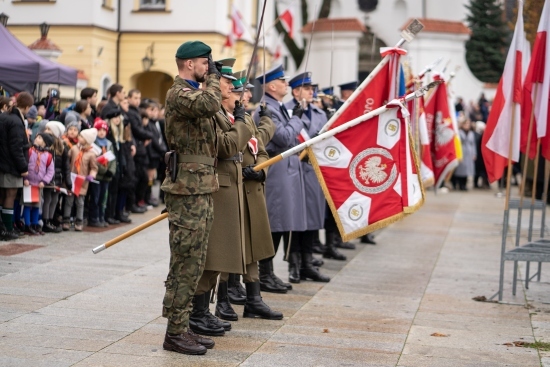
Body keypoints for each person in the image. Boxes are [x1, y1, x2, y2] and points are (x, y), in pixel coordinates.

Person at [160, 40, 222, 355]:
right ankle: (174, 332)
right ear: (189, 64)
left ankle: (184, 326)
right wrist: (213, 79)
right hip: (186, 189)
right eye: (204, 63)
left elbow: (214, 117)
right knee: (184, 260)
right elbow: (208, 104)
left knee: (196, 261)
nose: (208, 68)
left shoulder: (194, 93)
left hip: (201, 187)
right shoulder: (179, 93)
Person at [188, 58, 252, 336]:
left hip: (229, 184)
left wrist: (240, 120)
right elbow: (226, 147)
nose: (236, 90)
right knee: (212, 254)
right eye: (230, 84)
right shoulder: (210, 112)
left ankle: (206, 310)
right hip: (217, 187)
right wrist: (242, 123)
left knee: (220, 256)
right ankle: (198, 312)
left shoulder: (223, 114)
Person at [215, 70, 282, 321]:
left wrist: (259, 171)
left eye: (240, 92)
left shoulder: (246, 119)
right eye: (236, 92)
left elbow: (261, 150)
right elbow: (227, 148)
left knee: (253, 247)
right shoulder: (220, 117)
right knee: (228, 247)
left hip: (251, 188)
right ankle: (223, 300)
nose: (241, 97)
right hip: (231, 189)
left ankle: (254, 299)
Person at [253, 65, 308, 289]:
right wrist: (297, 119)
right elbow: (285, 138)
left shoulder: (278, 106)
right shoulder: (267, 108)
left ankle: (269, 273)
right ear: (272, 86)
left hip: (285, 168)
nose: (287, 84)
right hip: (275, 168)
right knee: (274, 221)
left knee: (282, 221)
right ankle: (264, 274)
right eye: (283, 81)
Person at [284, 72, 330, 283]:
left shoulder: (319, 113)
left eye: (312, 88)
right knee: (294, 219)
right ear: (295, 92)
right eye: (307, 88)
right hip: (294, 169)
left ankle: (308, 263)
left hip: (313, 171)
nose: (312, 92)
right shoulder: (287, 110)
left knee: (312, 217)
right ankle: (294, 264)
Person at [0, 92, 32, 240]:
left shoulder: (4, 116)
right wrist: (23, 168)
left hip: (3, 162)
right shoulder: (16, 121)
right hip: (11, 165)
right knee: (10, 195)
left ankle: (3, 227)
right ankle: (6, 228)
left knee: (2, 195)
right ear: (26, 107)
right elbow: (16, 147)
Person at [63, 128, 98, 231]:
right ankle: (66, 220)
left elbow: (94, 167)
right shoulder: (74, 149)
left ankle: (79, 221)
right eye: (80, 136)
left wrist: (92, 175)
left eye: (82, 137)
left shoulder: (91, 154)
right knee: (69, 200)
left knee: (80, 202)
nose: (79, 137)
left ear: (87, 140)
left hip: (82, 181)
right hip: (72, 179)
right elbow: (67, 160)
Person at [125, 89, 153, 214]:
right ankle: (132, 203)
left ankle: (137, 201)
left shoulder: (136, 111)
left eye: (139, 98)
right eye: (135, 98)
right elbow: (136, 129)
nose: (137, 100)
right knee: (135, 179)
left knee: (143, 178)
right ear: (129, 98)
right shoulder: (131, 112)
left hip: (140, 148)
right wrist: (149, 135)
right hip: (135, 148)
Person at [22, 132, 55, 235]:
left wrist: (44, 181)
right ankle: (27, 224)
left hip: (39, 185)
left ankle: (35, 224)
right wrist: (24, 178)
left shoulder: (48, 156)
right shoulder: (30, 151)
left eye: (40, 138)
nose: (37, 139)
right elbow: (24, 163)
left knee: (36, 205)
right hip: (28, 184)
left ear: (45, 143)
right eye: (37, 137)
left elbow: (50, 171)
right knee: (27, 205)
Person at [42, 121, 71, 233]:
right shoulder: (45, 145)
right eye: (46, 129)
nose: (46, 132)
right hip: (47, 178)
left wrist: (68, 181)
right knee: (47, 199)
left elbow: (66, 166)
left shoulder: (62, 147)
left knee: (55, 199)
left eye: (49, 130)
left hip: (57, 178)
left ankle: (51, 219)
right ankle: (45, 221)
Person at [88, 119, 115, 228]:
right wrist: (104, 171)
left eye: (104, 130)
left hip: (106, 177)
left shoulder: (109, 144)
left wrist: (111, 171)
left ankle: (101, 217)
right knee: (95, 197)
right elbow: (94, 160)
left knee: (103, 198)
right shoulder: (94, 144)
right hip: (97, 176)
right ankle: (94, 218)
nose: (102, 132)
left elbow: (112, 160)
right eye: (99, 129)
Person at [104, 107, 126, 224]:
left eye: (118, 117)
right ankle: (108, 215)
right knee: (109, 193)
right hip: (110, 167)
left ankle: (112, 215)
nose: (117, 120)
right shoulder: (108, 133)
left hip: (117, 167)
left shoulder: (119, 133)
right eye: (114, 117)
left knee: (115, 192)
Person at [453, 118, 476, 191]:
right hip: (462, 151)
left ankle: (464, 184)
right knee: (460, 169)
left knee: (467, 170)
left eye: (468, 124)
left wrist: (474, 153)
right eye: (465, 124)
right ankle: (459, 183)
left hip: (469, 152)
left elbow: (473, 144)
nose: (467, 125)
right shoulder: (459, 132)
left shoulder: (471, 133)